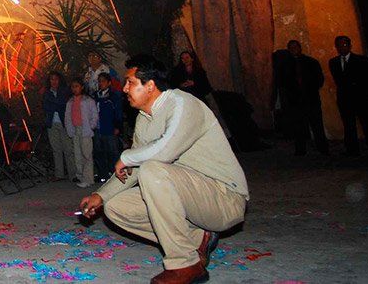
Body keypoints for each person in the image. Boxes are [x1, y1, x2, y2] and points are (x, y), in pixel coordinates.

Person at [79, 55, 248, 284]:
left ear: (150, 86)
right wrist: (100, 195)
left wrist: (127, 156)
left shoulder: (183, 104)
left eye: (130, 82)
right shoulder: (144, 118)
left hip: (224, 198)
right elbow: (134, 169)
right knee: (116, 207)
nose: (125, 88)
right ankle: (197, 239)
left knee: (152, 170)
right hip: (189, 195)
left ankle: (184, 264)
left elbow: (164, 150)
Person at [273, 41, 328, 155]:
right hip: (295, 100)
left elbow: (319, 79)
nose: (294, 49)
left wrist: (309, 89)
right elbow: (281, 81)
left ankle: (322, 148)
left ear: (300, 48)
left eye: (295, 47)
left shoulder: (311, 62)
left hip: (311, 99)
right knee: (298, 126)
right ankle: (300, 149)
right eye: (291, 48)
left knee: (316, 124)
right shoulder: (285, 65)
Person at [328, 35, 368, 156]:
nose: (342, 48)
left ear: (349, 46)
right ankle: (352, 149)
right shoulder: (334, 62)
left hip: (361, 98)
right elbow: (339, 80)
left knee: (367, 124)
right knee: (349, 125)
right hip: (345, 99)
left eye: (344, 45)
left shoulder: (361, 60)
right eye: (339, 45)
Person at [65, 79, 98, 188]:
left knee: (86, 154)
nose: (75, 89)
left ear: (82, 87)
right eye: (73, 87)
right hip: (75, 129)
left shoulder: (88, 100)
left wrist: (91, 126)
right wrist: (69, 128)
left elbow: (94, 114)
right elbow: (67, 116)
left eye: (77, 86)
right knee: (77, 154)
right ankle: (81, 176)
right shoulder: (70, 102)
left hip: (85, 129)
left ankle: (88, 178)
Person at [42, 72, 75, 181]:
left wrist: (55, 104)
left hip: (64, 123)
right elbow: (46, 107)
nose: (54, 81)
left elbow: (64, 105)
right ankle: (59, 174)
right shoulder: (47, 93)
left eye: (56, 79)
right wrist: (57, 105)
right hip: (52, 123)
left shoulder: (65, 92)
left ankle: (73, 174)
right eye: (52, 79)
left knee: (68, 149)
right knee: (56, 149)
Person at [93, 72, 124, 182]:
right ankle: (103, 174)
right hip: (98, 128)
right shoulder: (95, 96)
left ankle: (115, 174)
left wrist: (118, 127)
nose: (101, 83)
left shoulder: (114, 96)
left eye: (103, 81)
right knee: (98, 152)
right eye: (99, 81)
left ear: (109, 83)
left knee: (112, 152)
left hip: (110, 128)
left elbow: (118, 112)